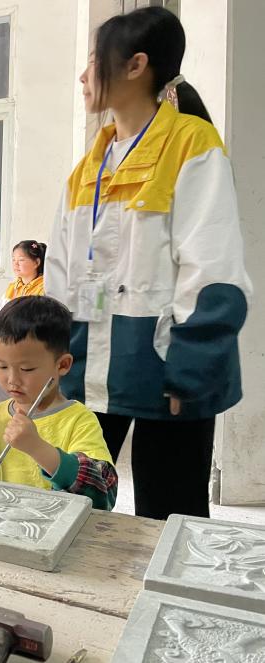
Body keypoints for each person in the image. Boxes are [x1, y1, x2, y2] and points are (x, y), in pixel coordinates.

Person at [45, 7, 251, 519]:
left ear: (136, 65)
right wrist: (52, 359)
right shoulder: (87, 169)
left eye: (95, 62)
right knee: (72, 505)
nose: (83, 76)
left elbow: (213, 270)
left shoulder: (192, 145)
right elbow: (61, 277)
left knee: (169, 514)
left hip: (165, 368)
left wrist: (191, 371)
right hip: (88, 367)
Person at [0, 296, 117, 510]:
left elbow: (102, 495)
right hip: (1, 521)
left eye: (26, 369)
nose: (12, 380)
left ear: (63, 365)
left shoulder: (78, 420)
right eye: (2, 366)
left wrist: (37, 448)